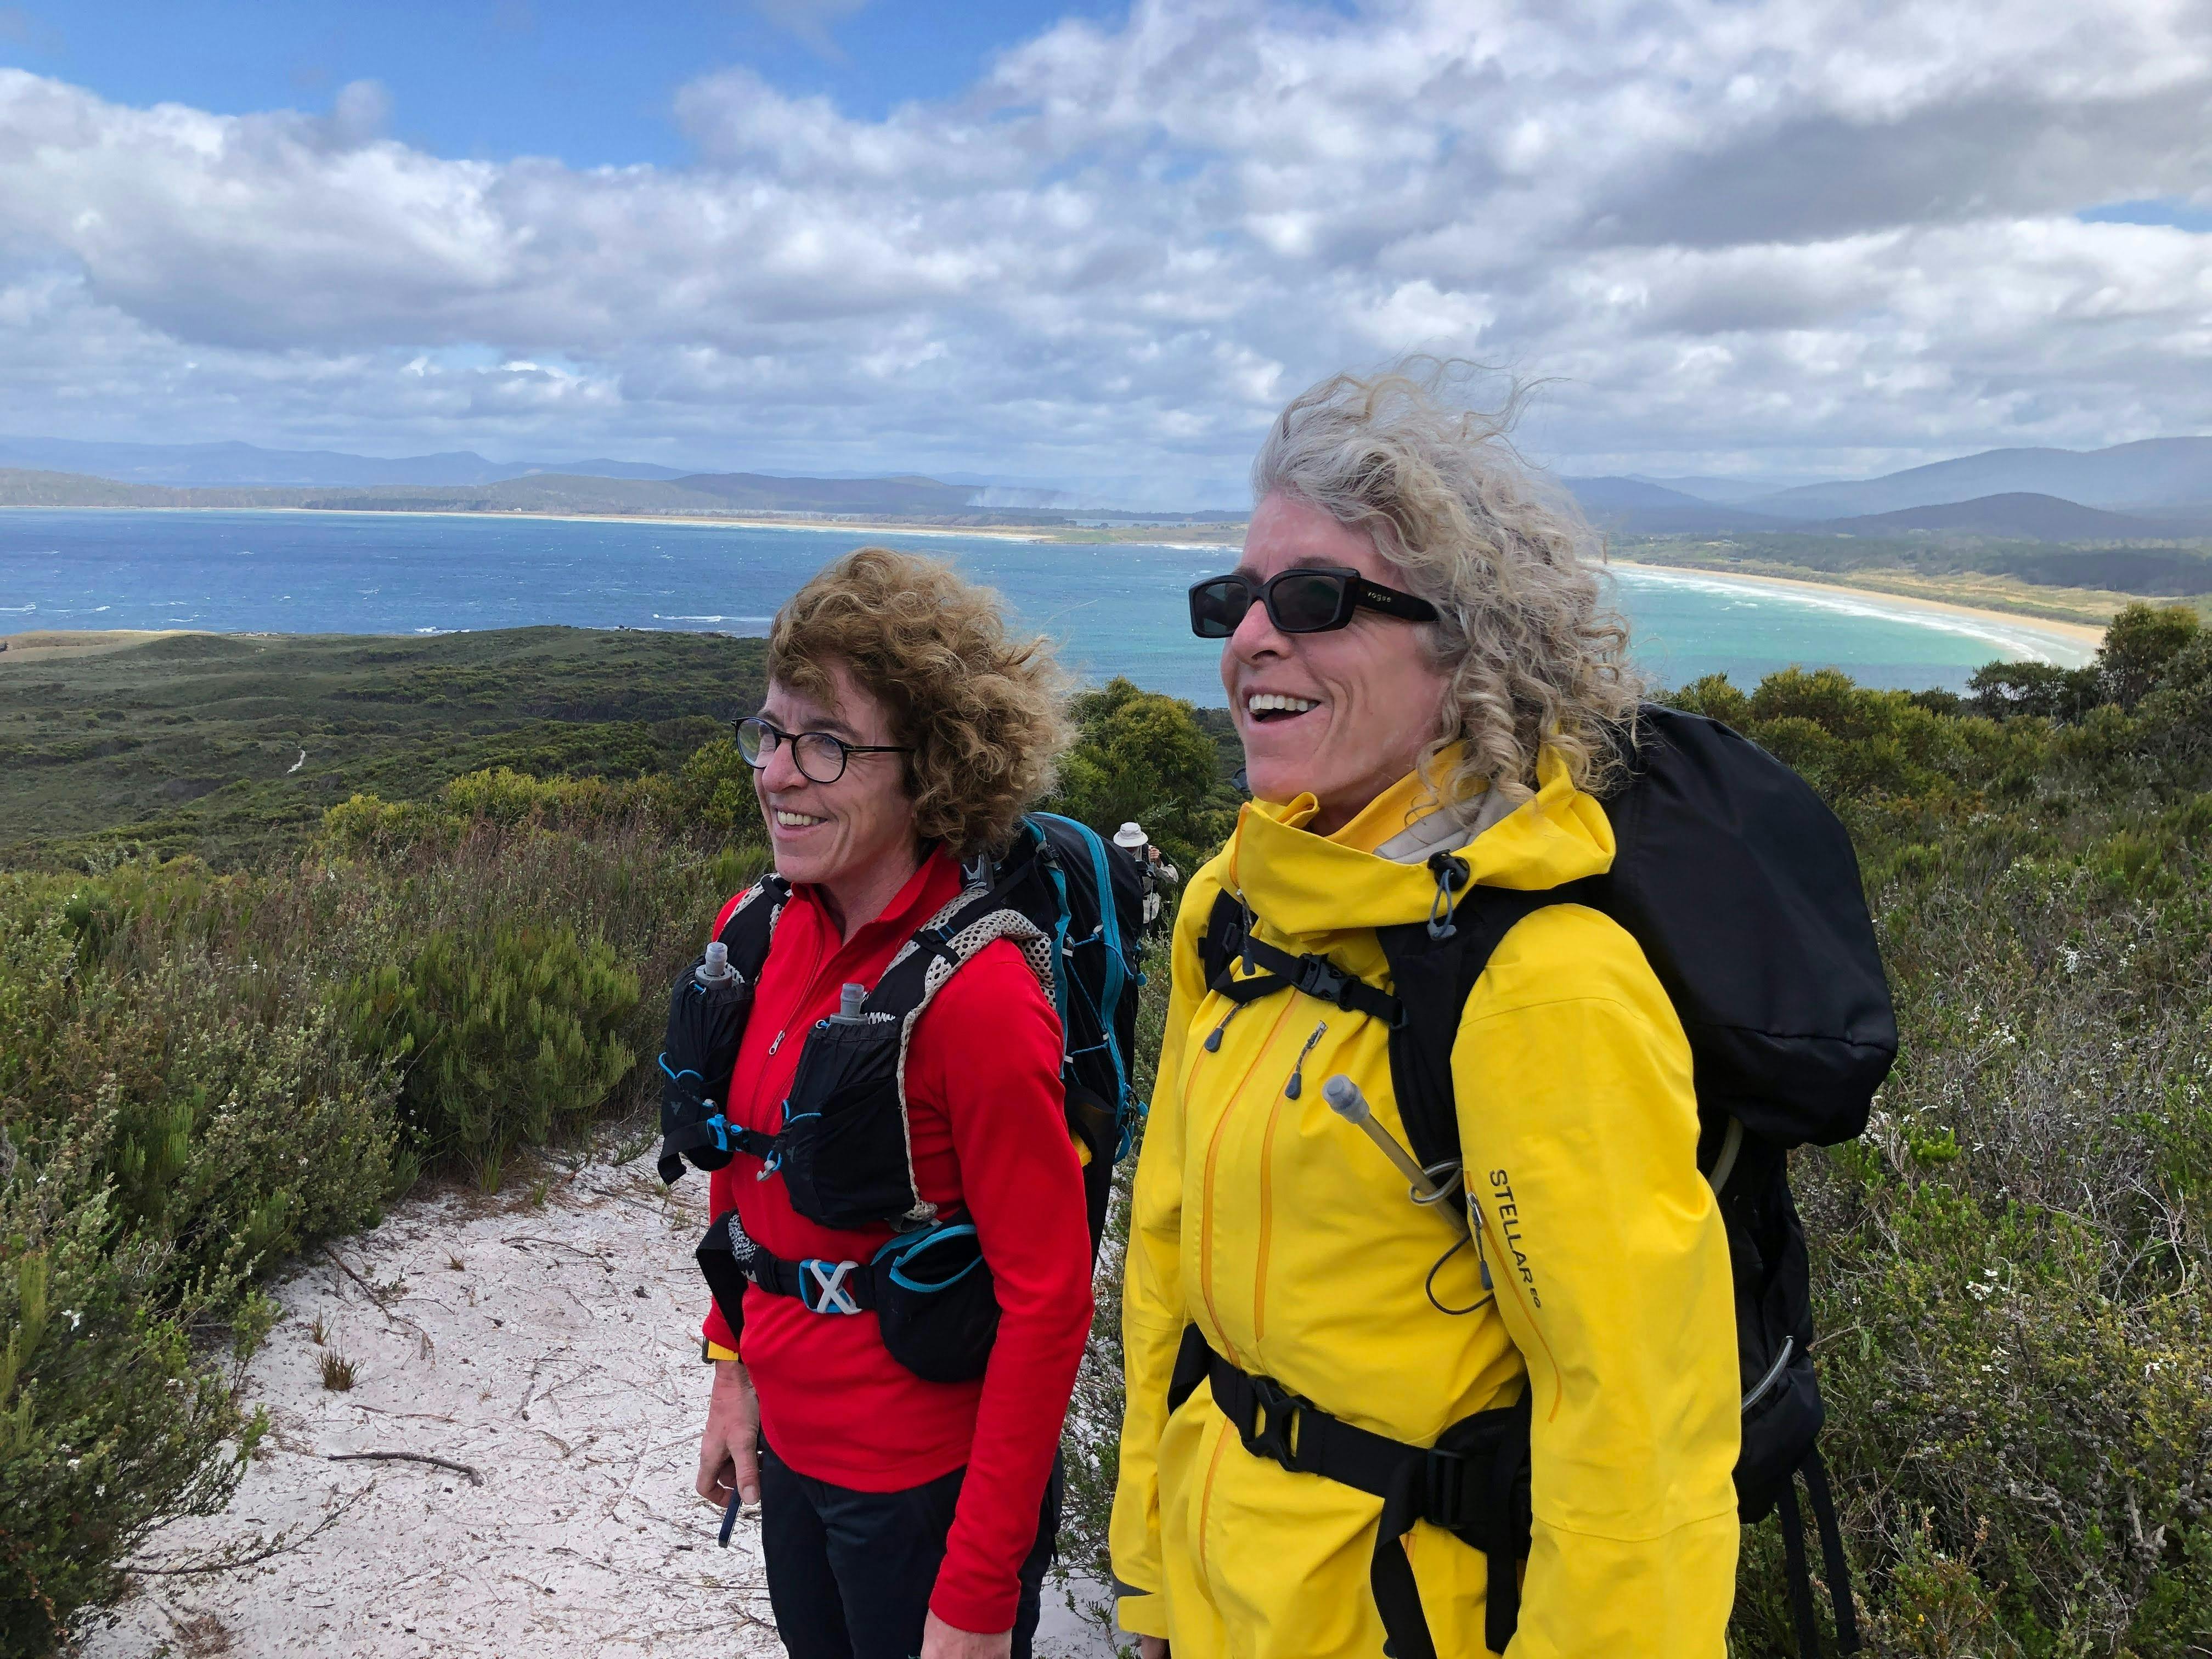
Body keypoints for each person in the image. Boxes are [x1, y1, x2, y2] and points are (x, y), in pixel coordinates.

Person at [1109, 368, 1740, 1657]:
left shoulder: (1545, 984)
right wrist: (1147, 1581)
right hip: (1221, 1594)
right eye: (1238, 601)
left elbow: (1636, 1440)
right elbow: (1167, 1268)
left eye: (1316, 600)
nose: (1250, 641)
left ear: (1469, 647)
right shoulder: (1232, 908)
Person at [692, 547, 1094, 1659]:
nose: (778, 773)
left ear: (931, 769)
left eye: (826, 743)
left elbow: (1049, 1303)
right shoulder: (756, 929)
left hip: (921, 1489)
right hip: (795, 1451)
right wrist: (732, 1375)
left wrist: (974, 1594)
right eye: (771, 733)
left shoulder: (981, 1000)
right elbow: (743, 1180)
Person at [1111, 822, 1180, 938]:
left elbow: (1174, 878)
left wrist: (1158, 863)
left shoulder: (1150, 853)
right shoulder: (1114, 852)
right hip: (1121, 908)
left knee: (1142, 944)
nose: (1130, 848)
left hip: (1145, 909)